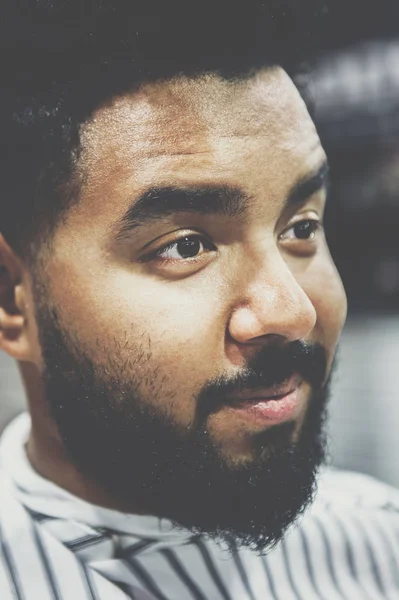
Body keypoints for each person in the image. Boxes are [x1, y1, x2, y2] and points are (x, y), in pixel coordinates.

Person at [0, 1, 398, 598]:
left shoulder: (380, 547)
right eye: (186, 245)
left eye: (301, 227)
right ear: (12, 297)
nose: (293, 313)